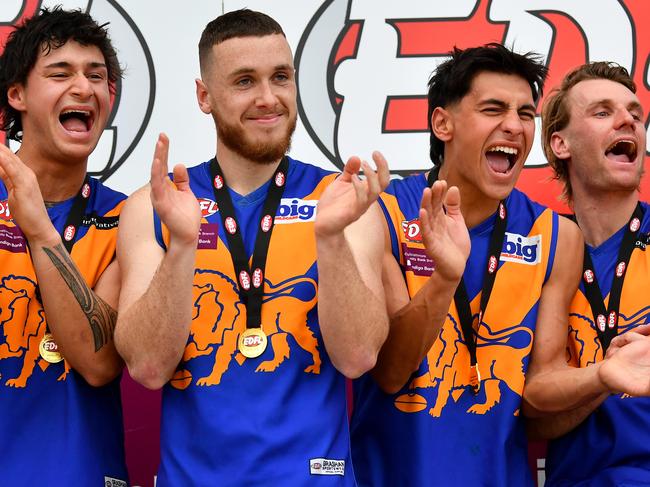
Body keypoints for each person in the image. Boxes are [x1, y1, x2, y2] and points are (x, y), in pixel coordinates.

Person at [114, 9, 391, 485]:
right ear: (204, 96)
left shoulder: (345, 201)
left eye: (281, 77)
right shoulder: (153, 207)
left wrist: (330, 239)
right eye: (244, 81)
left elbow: (359, 355)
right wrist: (182, 244)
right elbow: (147, 365)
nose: (269, 98)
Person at [350, 43, 584, 486]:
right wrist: (445, 278)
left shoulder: (556, 236)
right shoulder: (383, 213)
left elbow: (539, 394)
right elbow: (390, 372)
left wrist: (603, 376)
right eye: (494, 109)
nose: (514, 126)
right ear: (443, 123)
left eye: (525, 114)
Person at [0, 7, 128, 486]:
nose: (85, 88)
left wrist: (40, 232)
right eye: (61, 73)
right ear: (17, 95)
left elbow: (99, 363)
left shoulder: (127, 218)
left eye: (97, 76)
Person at [527, 61, 650, 486]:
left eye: (635, 114)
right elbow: (534, 421)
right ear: (560, 144)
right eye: (602, 112)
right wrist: (601, 379)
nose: (627, 122)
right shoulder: (536, 255)